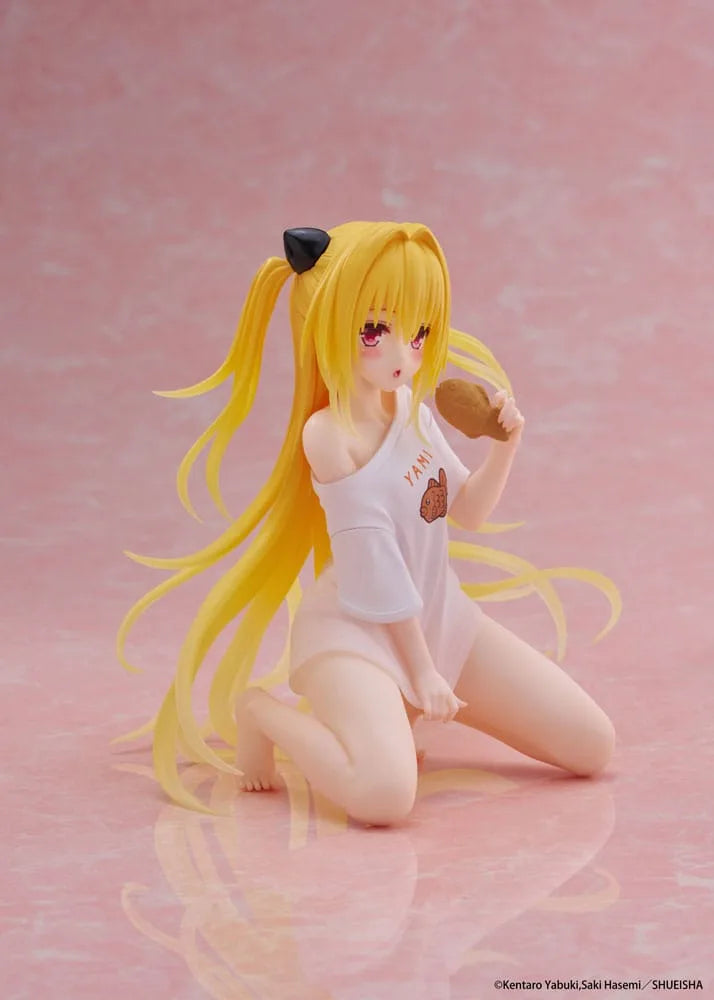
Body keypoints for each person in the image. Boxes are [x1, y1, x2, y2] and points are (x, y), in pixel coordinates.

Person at [118, 221, 617, 822]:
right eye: (376, 331)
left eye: (420, 332)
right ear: (328, 326)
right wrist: (423, 674)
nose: (406, 354)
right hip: (356, 634)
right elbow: (376, 571)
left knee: (592, 744)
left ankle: (395, 715)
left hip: (438, 618)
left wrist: (506, 445)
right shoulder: (329, 437)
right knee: (384, 797)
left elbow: (469, 511)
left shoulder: (411, 411)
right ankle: (262, 712)